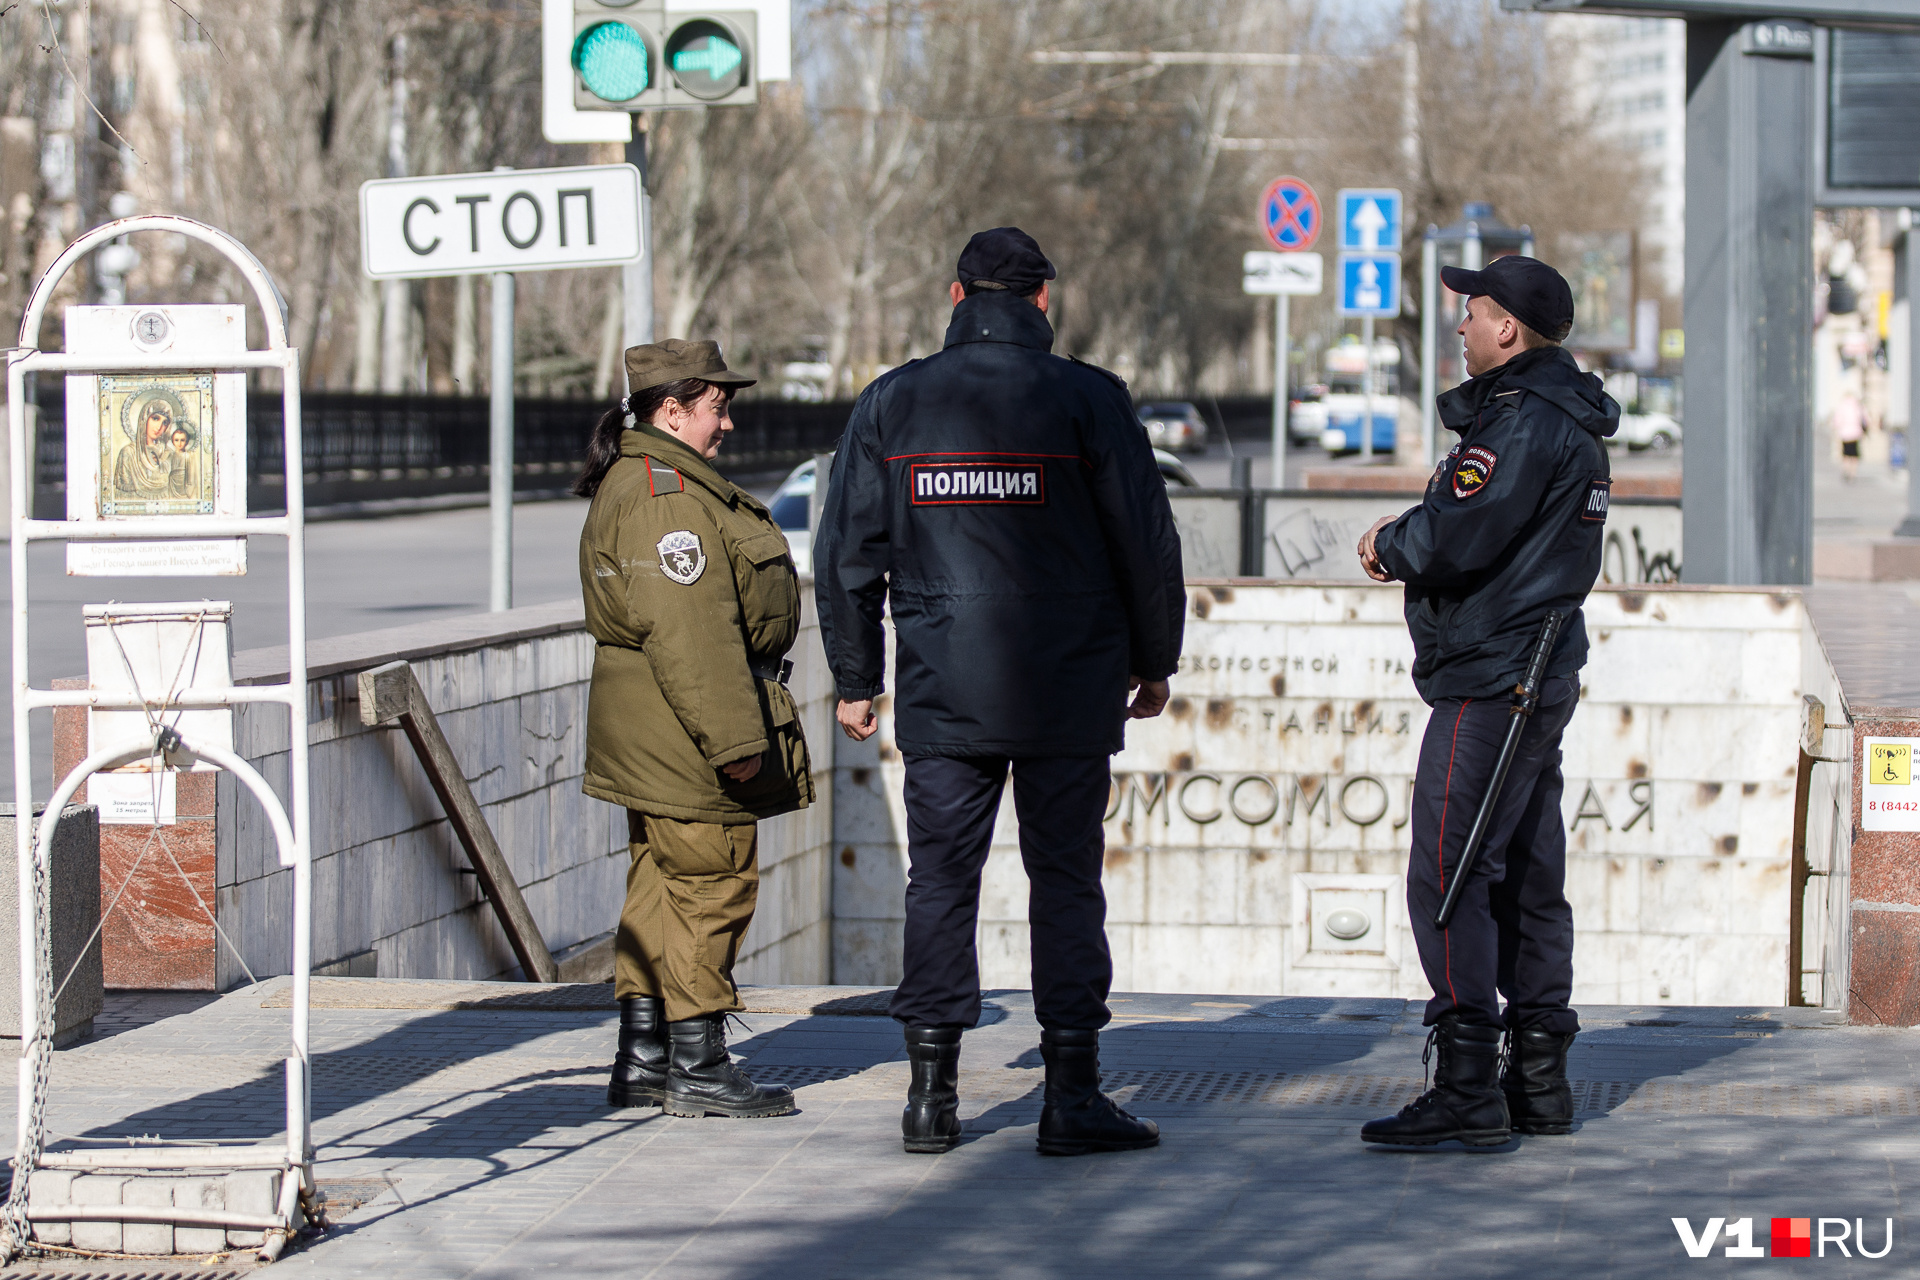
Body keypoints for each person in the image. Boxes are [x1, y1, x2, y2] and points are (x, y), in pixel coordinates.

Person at [815, 227, 1186, 1157]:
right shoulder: (1089, 400)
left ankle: (930, 1100)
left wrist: (858, 679)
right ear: (1044, 304)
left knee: (940, 881)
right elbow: (1147, 541)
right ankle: (1071, 1096)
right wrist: (1155, 660)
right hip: (1068, 686)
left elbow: (846, 556)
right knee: (1065, 882)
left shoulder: (892, 403)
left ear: (955, 296)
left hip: (942, 690)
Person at [1354, 255, 1617, 1147]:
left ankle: (1468, 1085)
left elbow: (1461, 532)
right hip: (1533, 671)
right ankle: (1538, 1082)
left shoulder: (1522, 421)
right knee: (1529, 876)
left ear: (1509, 328)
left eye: (1472, 313)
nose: (1460, 327)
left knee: (1446, 872)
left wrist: (1392, 541)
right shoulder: (1561, 417)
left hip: (1493, 673)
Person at [576, 338, 813, 1120]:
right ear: (671, 410)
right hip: (684, 731)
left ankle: (645, 1057)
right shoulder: (666, 496)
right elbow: (694, 631)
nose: (728, 425)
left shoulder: (646, 481)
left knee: (659, 885)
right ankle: (700, 1064)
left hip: (651, 727)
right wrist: (736, 742)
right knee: (713, 881)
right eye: (718, 408)